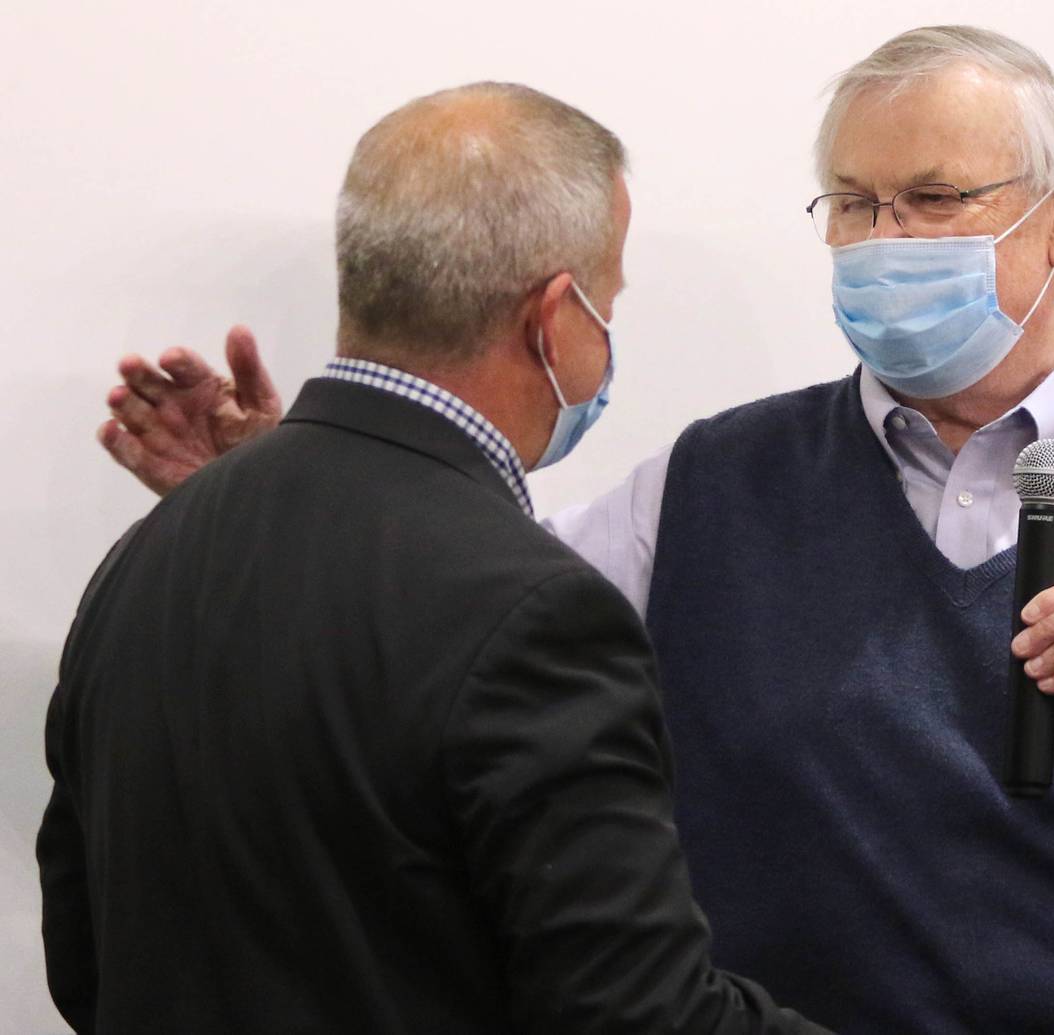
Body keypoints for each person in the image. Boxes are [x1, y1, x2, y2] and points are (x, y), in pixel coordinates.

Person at [95, 27, 1054, 1034]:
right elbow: (449, 628)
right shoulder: (715, 482)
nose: (878, 240)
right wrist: (305, 488)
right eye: (850, 203)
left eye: (931, 198)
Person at [40, 82, 832, 1035]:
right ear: (555, 316)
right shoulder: (538, 613)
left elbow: (82, 958)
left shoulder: (143, 559)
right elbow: (636, 1015)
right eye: (608, 300)